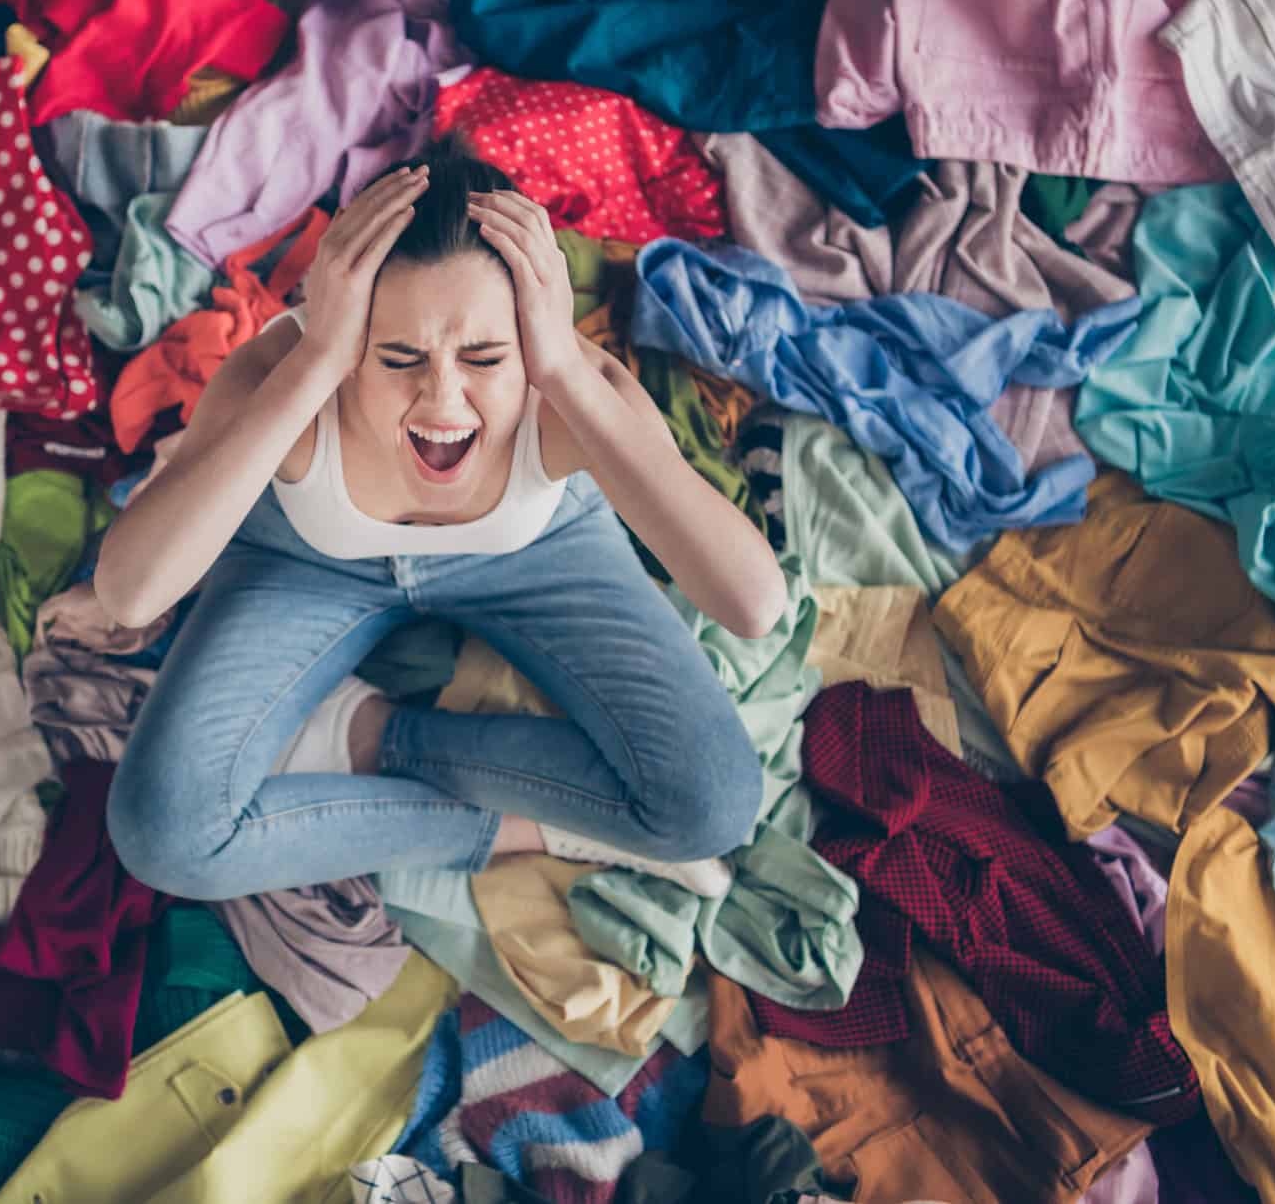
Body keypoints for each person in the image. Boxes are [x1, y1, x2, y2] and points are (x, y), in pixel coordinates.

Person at [91, 145, 788, 901]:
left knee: (712, 802)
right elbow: (128, 595)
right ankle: (540, 830)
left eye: (485, 357)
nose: (444, 402)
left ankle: (374, 734)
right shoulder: (288, 375)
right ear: (350, 338)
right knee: (163, 833)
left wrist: (557, 367)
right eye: (398, 357)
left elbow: (753, 604)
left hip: (537, 551)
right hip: (305, 560)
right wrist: (318, 360)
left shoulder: (565, 385)